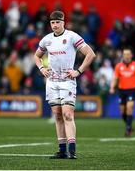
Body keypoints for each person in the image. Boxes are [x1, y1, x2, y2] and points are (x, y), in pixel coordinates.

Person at [34, 11, 96, 159]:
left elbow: (91, 54)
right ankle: (62, 151)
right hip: (52, 82)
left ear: (63, 22)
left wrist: (79, 71)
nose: (55, 25)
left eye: (57, 22)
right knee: (57, 115)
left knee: (68, 114)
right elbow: (37, 56)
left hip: (67, 82)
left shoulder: (72, 37)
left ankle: (72, 150)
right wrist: (42, 68)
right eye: (52, 23)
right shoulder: (46, 40)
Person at [110, 48, 135, 137]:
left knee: (130, 107)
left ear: (131, 55)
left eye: (128, 54)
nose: (126, 56)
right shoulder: (118, 66)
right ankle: (129, 125)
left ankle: (128, 129)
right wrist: (112, 88)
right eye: (125, 54)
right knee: (122, 112)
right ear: (123, 55)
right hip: (121, 90)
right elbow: (115, 78)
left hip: (132, 90)